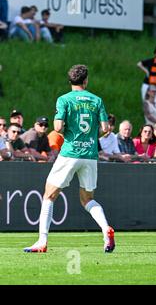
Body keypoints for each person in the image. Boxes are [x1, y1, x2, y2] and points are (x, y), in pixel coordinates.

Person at [23, 64, 115, 253]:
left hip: (70, 153)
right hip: (90, 156)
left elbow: (57, 127)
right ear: (86, 80)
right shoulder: (96, 100)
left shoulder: (64, 99)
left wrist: (69, 135)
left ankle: (42, 241)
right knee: (88, 199)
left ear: (70, 81)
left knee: (49, 195)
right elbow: (105, 128)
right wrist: (90, 138)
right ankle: (106, 230)